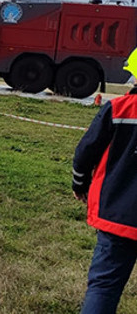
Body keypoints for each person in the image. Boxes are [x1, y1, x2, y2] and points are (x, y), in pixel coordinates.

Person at [72, 47, 137, 313]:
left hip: (116, 216)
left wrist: (79, 184)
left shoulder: (119, 108)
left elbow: (84, 153)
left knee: (104, 287)